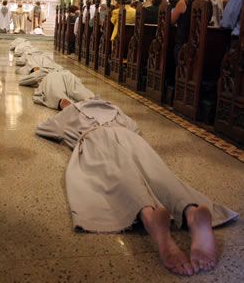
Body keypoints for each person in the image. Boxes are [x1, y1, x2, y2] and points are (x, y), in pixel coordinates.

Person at [36, 98, 238, 276]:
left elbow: (43, 129)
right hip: (131, 139)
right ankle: (191, 213)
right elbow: (135, 128)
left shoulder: (72, 111)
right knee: (159, 175)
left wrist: (65, 118)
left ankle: (150, 218)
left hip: (95, 138)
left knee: (121, 177)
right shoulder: (114, 109)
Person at [171, 0, 199, 64]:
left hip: (182, 45)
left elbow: (171, 21)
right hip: (197, 45)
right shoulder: (203, 4)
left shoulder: (183, 3)